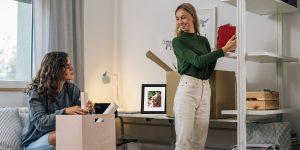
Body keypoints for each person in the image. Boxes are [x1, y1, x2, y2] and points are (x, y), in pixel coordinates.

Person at [172, 3, 237, 150]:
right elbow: (198, 61)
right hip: (187, 90)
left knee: (199, 143)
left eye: (183, 17)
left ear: (193, 17)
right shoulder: (178, 42)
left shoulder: (204, 41)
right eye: (177, 19)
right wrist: (222, 50)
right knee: (184, 143)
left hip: (205, 89)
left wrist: (223, 50)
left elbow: (208, 69)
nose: (180, 21)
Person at [22, 51, 93, 150]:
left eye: (70, 65)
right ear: (55, 69)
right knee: (61, 136)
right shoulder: (36, 92)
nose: (72, 68)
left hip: (63, 136)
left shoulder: (72, 90)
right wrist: (65, 112)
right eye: (67, 66)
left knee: (82, 134)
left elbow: (77, 119)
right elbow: (41, 123)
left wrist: (85, 109)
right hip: (34, 142)